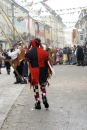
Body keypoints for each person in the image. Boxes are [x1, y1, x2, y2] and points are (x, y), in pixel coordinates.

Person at [25, 38, 53, 109]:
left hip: (34, 71)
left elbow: (26, 57)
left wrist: (28, 47)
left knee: (35, 87)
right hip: (43, 70)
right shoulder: (44, 52)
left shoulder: (29, 52)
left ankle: (37, 102)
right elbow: (48, 61)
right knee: (42, 85)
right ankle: (44, 96)